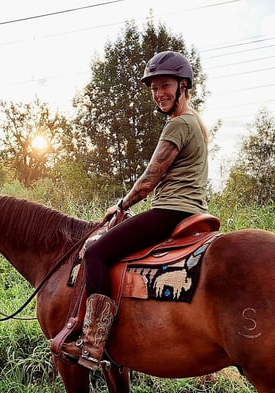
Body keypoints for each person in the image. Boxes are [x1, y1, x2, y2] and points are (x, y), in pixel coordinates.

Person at [60, 50, 210, 370]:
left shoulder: (178, 125)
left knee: (97, 253)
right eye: (154, 88)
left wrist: (120, 206)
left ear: (184, 85)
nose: (159, 94)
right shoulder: (195, 122)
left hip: (171, 211)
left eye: (165, 85)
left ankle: (93, 343)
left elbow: (149, 180)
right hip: (194, 211)